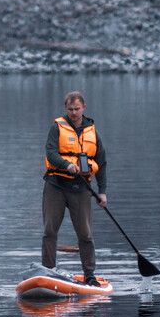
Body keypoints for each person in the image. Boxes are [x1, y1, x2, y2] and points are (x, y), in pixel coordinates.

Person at [42, 90, 107, 286]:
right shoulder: (57, 128)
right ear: (65, 108)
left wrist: (102, 191)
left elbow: (101, 162)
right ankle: (48, 271)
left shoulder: (92, 131)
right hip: (56, 185)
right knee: (50, 230)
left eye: (77, 109)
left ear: (83, 108)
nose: (73, 113)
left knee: (85, 234)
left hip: (80, 188)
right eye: (70, 109)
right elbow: (50, 152)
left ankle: (89, 275)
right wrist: (67, 165)